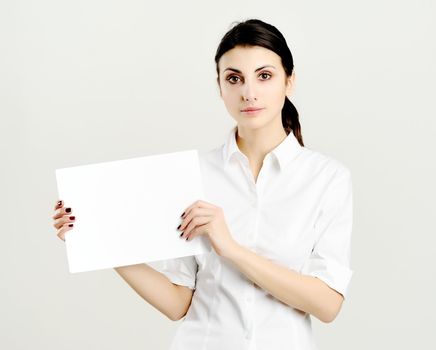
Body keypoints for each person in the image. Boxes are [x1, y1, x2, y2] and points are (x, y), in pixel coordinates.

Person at [52, 18, 353, 350]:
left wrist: (231, 249)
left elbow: (327, 304)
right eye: (234, 79)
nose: (249, 92)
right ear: (220, 87)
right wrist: (100, 240)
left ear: (289, 81)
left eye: (264, 76)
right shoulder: (194, 173)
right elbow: (178, 302)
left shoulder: (327, 179)